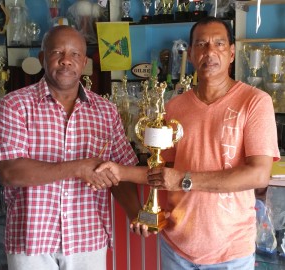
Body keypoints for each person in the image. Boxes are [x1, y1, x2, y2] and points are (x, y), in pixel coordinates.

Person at [96, 16, 280, 269]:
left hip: (230, 253)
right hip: (177, 248)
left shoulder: (255, 102)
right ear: (191, 54)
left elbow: (258, 176)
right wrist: (120, 172)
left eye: (219, 44)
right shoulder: (175, 107)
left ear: (232, 53)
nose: (210, 52)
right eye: (201, 45)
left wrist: (185, 180)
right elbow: (162, 173)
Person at [0, 25, 140, 270]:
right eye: (57, 52)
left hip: (87, 238)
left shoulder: (105, 111)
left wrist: (137, 214)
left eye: (75, 55)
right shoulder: (14, 105)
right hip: (32, 241)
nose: (66, 61)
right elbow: (10, 172)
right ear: (42, 59)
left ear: (84, 63)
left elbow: (120, 172)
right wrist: (79, 168)